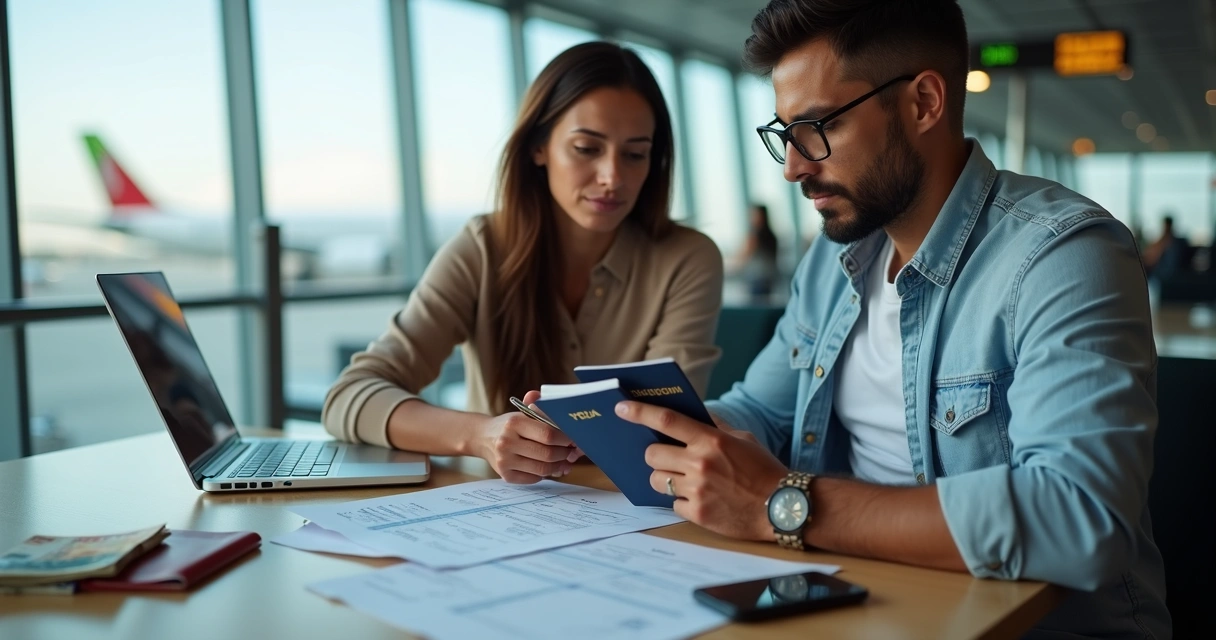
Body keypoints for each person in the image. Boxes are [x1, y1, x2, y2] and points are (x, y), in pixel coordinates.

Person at [615, 1, 1171, 637]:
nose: (795, 166)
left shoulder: (1063, 256)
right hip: (863, 606)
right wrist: (645, 429)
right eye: (784, 134)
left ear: (924, 103)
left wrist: (783, 503)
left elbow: (1078, 519)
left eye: (817, 127)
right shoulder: (834, 261)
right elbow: (764, 415)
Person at [322, 42, 723, 485]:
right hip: (497, 513)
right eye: (587, 148)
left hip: (637, 517)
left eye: (634, 154)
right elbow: (349, 397)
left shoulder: (688, 258)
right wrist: (480, 435)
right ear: (538, 147)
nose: (613, 177)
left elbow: (666, 426)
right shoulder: (483, 247)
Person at [730, 203, 780, 301]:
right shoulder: (771, 235)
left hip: (757, 279)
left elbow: (744, 255)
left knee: (757, 305)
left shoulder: (755, 235)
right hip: (769, 277)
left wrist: (732, 267)